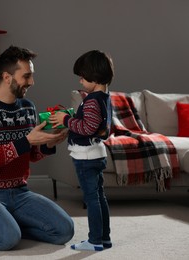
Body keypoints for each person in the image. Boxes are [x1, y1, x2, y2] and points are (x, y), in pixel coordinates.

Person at [0, 45, 74, 251]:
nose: (32, 82)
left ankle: (10, 226)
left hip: (19, 192)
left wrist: (48, 144)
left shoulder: (27, 107)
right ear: (7, 77)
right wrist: (26, 141)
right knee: (7, 239)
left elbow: (30, 154)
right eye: (26, 76)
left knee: (64, 230)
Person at [49, 50, 114, 251]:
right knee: (99, 196)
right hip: (96, 153)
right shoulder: (103, 97)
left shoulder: (93, 101)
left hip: (86, 156)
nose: (80, 81)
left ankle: (94, 240)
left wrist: (65, 120)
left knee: (92, 198)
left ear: (94, 77)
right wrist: (74, 115)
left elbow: (87, 128)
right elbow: (94, 124)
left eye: (83, 78)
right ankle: (104, 238)